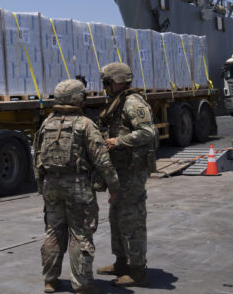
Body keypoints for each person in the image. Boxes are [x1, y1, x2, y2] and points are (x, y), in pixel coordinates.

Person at [35, 79, 121, 294]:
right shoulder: (85, 124)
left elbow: (37, 156)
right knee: (80, 233)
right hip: (77, 187)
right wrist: (114, 186)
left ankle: (50, 280)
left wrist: (41, 186)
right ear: (77, 99)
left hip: (51, 185)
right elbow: (102, 159)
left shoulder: (47, 123)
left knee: (53, 231)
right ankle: (81, 284)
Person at [96, 62, 158, 288]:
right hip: (121, 170)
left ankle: (138, 270)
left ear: (117, 81)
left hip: (132, 171)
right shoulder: (118, 101)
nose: (105, 87)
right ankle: (121, 262)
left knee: (132, 219)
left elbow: (147, 132)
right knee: (116, 217)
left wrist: (118, 141)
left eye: (107, 83)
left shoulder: (132, 103)